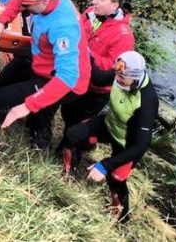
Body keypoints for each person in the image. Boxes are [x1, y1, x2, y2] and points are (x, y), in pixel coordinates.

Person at [0, 0, 91, 149]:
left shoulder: (63, 28)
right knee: (39, 110)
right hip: (45, 64)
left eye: (27, 7)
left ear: (43, 0)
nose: (25, 10)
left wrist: (28, 105)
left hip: (66, 81)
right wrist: (3, 19)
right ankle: (38, 139)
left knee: (4, 99)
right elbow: (20, 0)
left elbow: (67, 77)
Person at [60, 50, 158, 221]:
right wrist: (85, 52)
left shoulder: (147, 101)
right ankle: (65, 175)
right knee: (72, 135)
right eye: (117, 76)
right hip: (109, 125)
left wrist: (105, 165)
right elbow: (98, 78)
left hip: (128, 144)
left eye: (122, 79)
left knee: (115, 179)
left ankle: (121, 217)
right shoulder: (121, 73)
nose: (117, 81)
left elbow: (142, 145)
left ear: (135, 78)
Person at [61, 0, 135, 128]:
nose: (94, 1)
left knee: (77, 127)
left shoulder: (124, 36)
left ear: (115, 6)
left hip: (95, 92)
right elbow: (79, 31)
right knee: (67, 113)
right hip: (78, 77)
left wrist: (86, 53)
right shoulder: (91, 12)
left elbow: (110, 69)